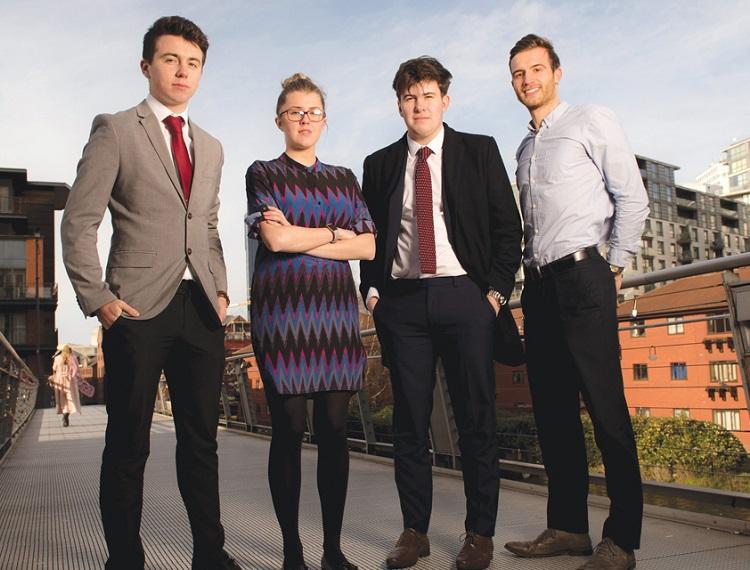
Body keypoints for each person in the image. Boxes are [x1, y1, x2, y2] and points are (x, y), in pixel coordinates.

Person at [61, 16, 241, 570]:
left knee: (202, 444)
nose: (182, 72)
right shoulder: (115, 130)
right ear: (147, 66)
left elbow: (207, 225)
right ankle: (126, 561)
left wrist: (221, 291)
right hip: (136, 308)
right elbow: (79, 222)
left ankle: (210, 556)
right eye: (171, 60)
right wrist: (99, 298)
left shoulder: (210, 147)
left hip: (199, 311)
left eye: (193, 63)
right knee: (128, 445)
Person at [359, 57, 522, 570]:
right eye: (409, 97)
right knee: (409, 422)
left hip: (465, 297)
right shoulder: (379, 163)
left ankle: (480, 534)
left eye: (428, 95)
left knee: (476, 418)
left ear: (445, 101)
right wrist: (373, 294)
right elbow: (371, 238)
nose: (419, 105)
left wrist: (493, 295)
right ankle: (414, 531)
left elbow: (507, 229)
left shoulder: (478, 150)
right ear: (398, 105)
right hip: (403, 303)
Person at [504, 34, 648, 570]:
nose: (527, 80)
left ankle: (622, 540)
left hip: (585, 274)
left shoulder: (591, 120)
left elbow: (631, 196)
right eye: (518, 73)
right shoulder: (522, 149)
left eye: (536, 69)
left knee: (606, 409)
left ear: (556, 72)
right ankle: (568, 528)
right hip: (538, 287)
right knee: (553, 412)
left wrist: (614, 265)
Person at [245, 73, 376, 570]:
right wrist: (330, 233)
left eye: (313, 111)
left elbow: (367, 246)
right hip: (283, 319)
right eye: (295, 111)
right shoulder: (262, 171)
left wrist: (303, 234)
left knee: (336, 430)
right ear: (280, 119)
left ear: (324, 119)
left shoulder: (344, 178)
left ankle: (332, 550)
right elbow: (274, 242)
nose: (304, 119)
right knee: (289, 430)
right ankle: (292, 552)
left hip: (336, 318)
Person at [50, 345, 82, 427]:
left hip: (59, 380)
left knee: (62, 399)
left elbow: (54, 369)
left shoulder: (57, 358)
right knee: (70, 398)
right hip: (70, 381)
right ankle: (66, 416)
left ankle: (64, 414)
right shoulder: (73, 358)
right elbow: (77, 369)